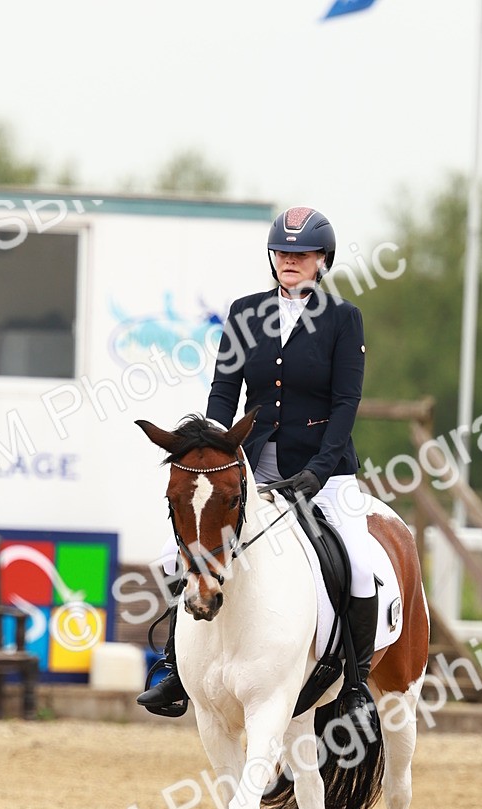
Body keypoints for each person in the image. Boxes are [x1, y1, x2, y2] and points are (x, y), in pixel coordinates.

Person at [137, 206, 377, 719]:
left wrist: (319, 469)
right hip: (250, 470)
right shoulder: (246, 313)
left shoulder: (342, 318)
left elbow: (345, 404)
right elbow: (225, 392)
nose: (291, 261)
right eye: (284, 252)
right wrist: (213, 456)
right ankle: (176, 670)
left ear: (321, 260)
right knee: (169, 554)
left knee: (357, 566)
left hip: (325, 472)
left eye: (302, 253)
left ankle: (355, 688)